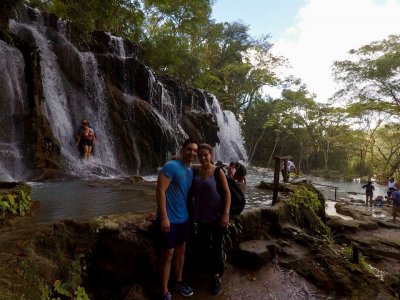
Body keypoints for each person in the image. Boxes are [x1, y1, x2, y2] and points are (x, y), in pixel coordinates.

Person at [156, 139, 198, 300]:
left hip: (184, 218)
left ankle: (178, 282)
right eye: (189, 149)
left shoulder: (190, 170)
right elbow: (160, 191)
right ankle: (164, 291)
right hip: (169, 220)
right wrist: (164, 217)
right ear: (182, 150)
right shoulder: (171, 166)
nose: (192, 153)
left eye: (195, 151)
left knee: (181, 251)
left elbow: (207, 166)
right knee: (167, 254)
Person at [190, 143, 231, 295]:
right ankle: (219, 260)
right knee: (203, 245)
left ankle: (215, 277)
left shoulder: (217, 171)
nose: (202, 157)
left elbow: (227, 193)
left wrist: (226, 214)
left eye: (205, 155)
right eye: (199, 155)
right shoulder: (196, 170)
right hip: (201, 216)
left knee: (216, 246)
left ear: (211, 155)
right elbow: (188, 164)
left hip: (217, 216)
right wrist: (178, 158)